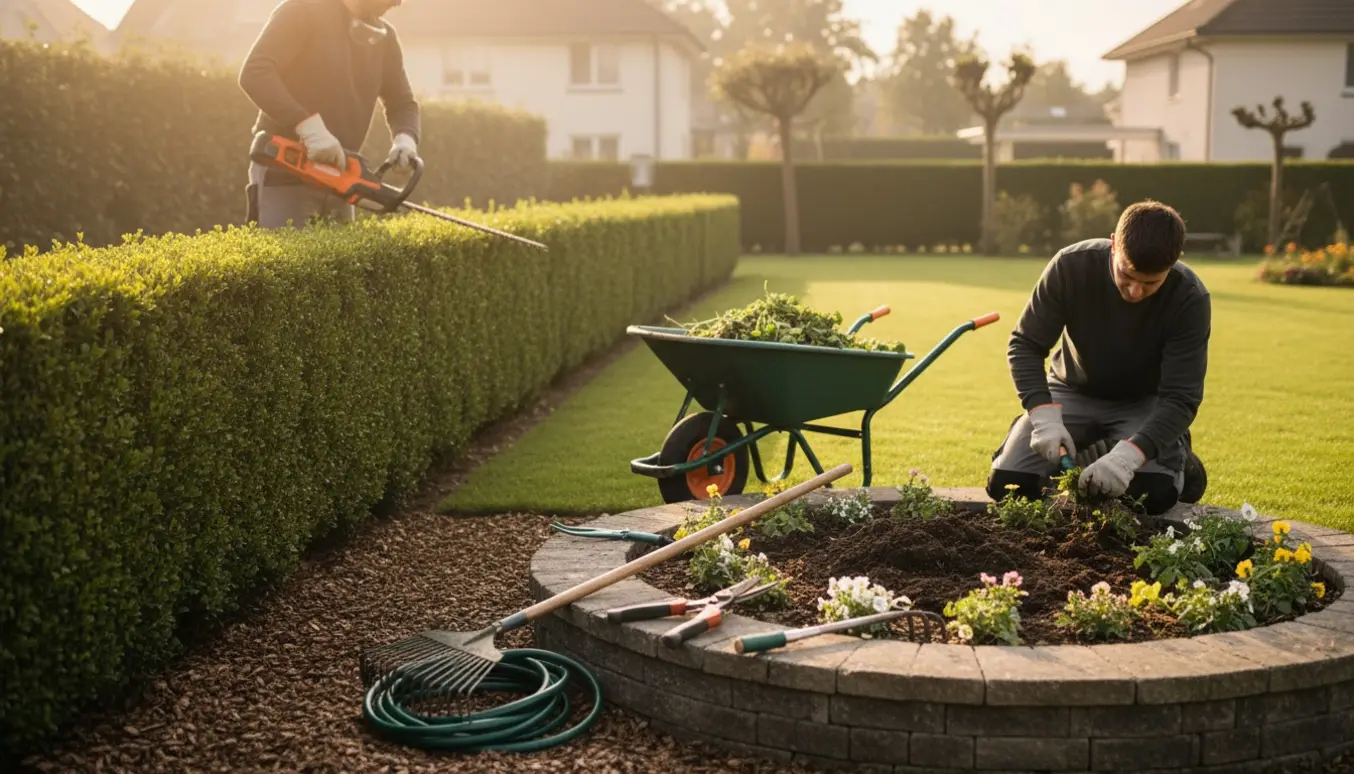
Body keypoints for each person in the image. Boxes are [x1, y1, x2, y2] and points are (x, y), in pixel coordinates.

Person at [986, 200, 1211, 515]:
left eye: (1151, 283)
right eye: (1126, 274)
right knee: (1009, 484)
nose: (1135, 292)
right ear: (1114, 244)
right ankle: (1089, 446)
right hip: (1071, 390)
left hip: (1144, 403)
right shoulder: (1070, 266)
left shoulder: (1189, 297)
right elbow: (1025, 344)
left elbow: (1181, 398)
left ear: (1173, 263)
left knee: (1151, 495)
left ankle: (1180, 463)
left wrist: (1129, 457)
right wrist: (1042, 414)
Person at [238, 0, 421, 228]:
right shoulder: (302, 10)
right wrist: (309, 128)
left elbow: (402, 103)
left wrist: (405, 139)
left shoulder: (384, 38)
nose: (398, 3)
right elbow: (255, 73)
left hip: (342, 179)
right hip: (286, 171)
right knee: (283, 250)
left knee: (340, 252)